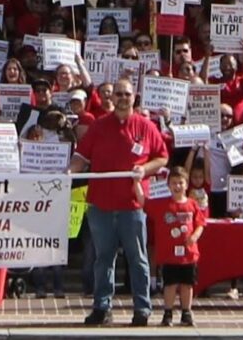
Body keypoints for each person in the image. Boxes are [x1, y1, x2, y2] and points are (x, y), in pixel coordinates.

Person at [69, 77, 169, 327]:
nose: (123, 99)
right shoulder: (99, 126)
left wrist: (143, 169)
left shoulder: (145, 126)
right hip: (100, 205)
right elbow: (81, 156)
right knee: (103, 259)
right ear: (111, 98)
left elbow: (162, 158)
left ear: (134, 98)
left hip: (131, 207)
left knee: (138, 259)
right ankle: (102, 307)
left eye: (127, 94)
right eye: (119, 95)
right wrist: (70, 172)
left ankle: (142, 309)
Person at [150, 166, 204, 327]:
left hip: (188, 254)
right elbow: (142, 202)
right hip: (169, 254)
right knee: (170, 284)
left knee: (187, 284)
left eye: (180, 182)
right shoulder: (162, 204)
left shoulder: (193, 205)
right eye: (174, 183)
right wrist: (138, 182)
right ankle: (168, 312)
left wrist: (194, 236)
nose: (177, 186)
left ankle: (186, 312)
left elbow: (200, 224)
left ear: (186, 184)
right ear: (168, 185)